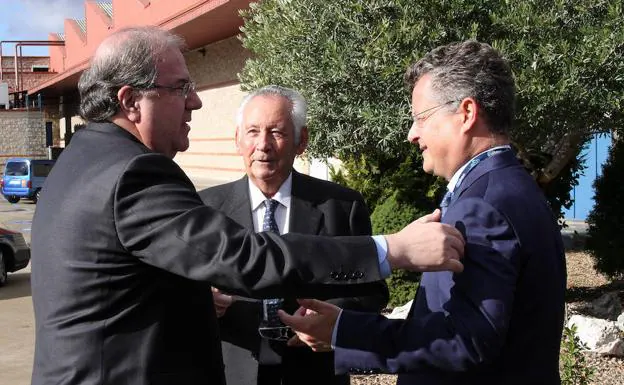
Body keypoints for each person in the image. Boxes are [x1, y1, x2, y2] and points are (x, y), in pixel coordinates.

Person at [29, 26, 464, 385]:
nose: (196, 101)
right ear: (129, 101)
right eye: (181, 88)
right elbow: (246, 257)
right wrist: (395, 249)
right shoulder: (133, 173)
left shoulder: (83, 160)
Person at [280, 40, 567, 385]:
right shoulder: (511, 186)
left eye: (420, 118)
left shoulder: (482, 206)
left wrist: (344, 330)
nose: (411, 134)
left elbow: (465, 341)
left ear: (466, 113)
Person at [199, 85, 389, 385]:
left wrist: (334, 316)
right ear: (237, 139)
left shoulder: (341, 206)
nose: (263, 144)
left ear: (302, 141)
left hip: (314, 371)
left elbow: (372, 291)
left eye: (277, 132)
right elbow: (178, 287)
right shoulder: (206, 208)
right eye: (252, 131)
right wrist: (200, 299)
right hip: (231, 369)